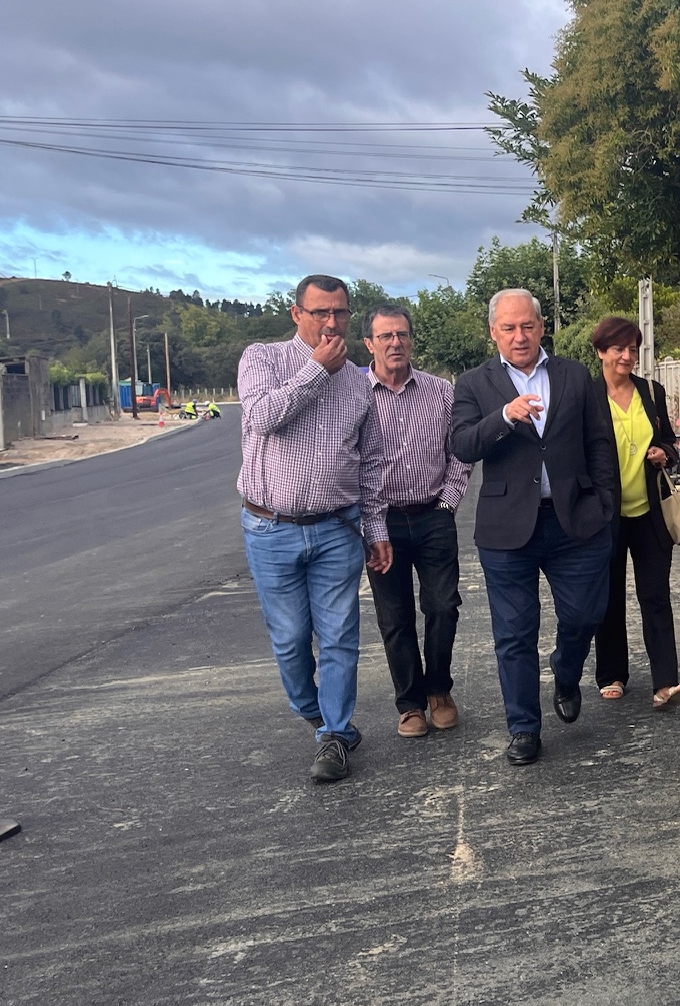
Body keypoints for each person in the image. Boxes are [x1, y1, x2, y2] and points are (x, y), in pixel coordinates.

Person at [449, 288, 617, 766]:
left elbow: (599, 442)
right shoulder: (473, 384)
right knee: (515, 632)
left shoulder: (574, 375)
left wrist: (604, 503)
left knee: (586, 615)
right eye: (508, 328)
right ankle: (523, 727)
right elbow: (461, 445)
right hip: (507, 530)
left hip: (576, 523)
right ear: (493, 333)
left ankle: (566, 672)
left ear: (542, 327)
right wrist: (504, 415)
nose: (519, 336)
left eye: (527, 326)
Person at [237, 274, 391, 784]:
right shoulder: (262, 358)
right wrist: (314, 372)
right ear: (296, 314)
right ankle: (318, 716)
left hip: (336, 530)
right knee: (290, 640)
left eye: (341, 313)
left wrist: (376, 528)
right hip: (271, 527)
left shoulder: (359, 383)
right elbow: (260, 418)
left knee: (341, 637)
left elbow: (369, 463)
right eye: (321, 312)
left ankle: (333, 735)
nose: (331, 323)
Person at [362, 305, 471, 739]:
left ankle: (440, 691)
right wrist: (370, 526)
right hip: (381, 521)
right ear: (369, 343)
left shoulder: (440, 391)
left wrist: (447, 504)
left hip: (433, 516)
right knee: (394, 616)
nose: (395, 343)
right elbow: (347, 461)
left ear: (412, 340)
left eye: (402, 335)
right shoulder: (354, 393)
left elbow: (460, 452)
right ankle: (410, 704)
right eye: (385, 336)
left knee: (443, 606)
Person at [589, 317, 680, 711]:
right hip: (605, 515)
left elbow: (669, 438)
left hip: (650, 511)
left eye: (633, 349)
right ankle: (612, 673)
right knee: (609, 596)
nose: (627, 356)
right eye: (618, 349)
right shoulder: (587, 394)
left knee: (655, 595)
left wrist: (664, 450)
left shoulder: (652, 390)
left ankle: (666, 681)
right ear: (601, 351)